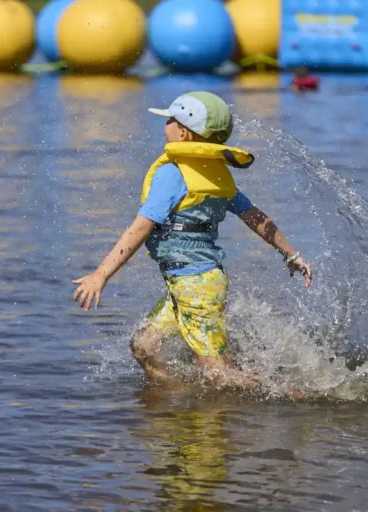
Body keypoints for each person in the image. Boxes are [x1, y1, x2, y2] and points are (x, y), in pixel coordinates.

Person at [72, 91, 312, 393]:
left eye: (170, 120)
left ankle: (295, 394)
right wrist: (292, 255)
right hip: (194, 283)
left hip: (195, 286)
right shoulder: (217, 176)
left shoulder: (172, 174)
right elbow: (257, 219)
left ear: (183, 133)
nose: (166, 126)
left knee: (217, 374)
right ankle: (181, 397)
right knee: (143, 346)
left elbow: (140, 228)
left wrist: (100, 274)